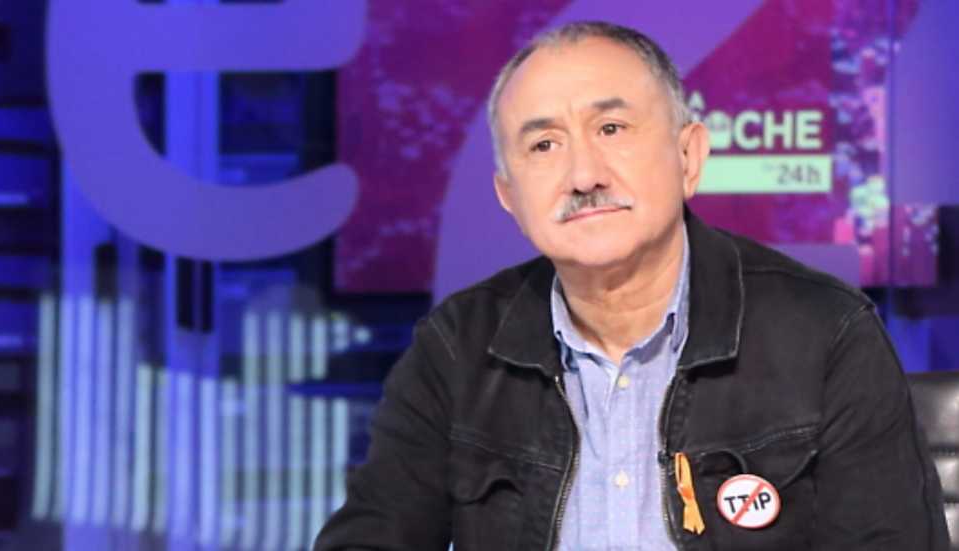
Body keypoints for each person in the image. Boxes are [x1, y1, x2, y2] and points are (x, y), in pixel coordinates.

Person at [315, 21, 948, 550]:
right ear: (509, 196)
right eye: (544, 145)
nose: (583, 175)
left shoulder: (825, 333)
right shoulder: (456, 348)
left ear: (688, 156)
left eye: (611, 129)